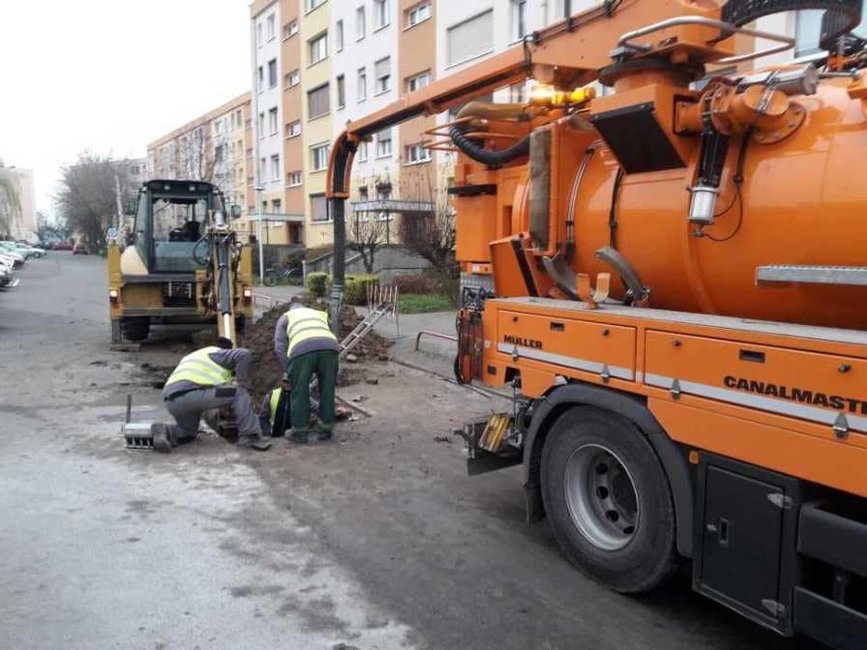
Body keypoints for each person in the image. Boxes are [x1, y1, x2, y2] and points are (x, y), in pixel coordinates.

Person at [157, 337, 271, 452]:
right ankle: (250, 436)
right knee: (239, 393)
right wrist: (241, 383)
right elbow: (244, 354)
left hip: (172, 401)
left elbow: (212, 391)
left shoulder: (194, 356)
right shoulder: (217, 353)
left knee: (188, 433)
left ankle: (165, 430)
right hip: (190, 394)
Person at [273, 297, 339, 443]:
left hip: (302, 350)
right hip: (330, 348)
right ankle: (326, 429)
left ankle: (300, 432)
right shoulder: (319, 313)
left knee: (299, 391)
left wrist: (288, 371)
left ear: (291, 309)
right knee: (328, 390)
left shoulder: (285, 317)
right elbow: (330, 333)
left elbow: (279, 347)